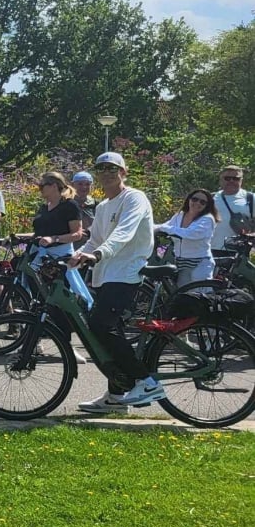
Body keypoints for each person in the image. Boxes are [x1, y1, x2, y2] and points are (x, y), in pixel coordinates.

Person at [69, 151, 162, 411]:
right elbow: (95, 239)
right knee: (108, 331)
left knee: (100, 324)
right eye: (102, 169)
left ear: (123, 172)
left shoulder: (134, 198)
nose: (107, 173)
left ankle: (146, 381)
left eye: (113, 168)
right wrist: (77, 255)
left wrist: (98, 254)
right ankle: (116, 396)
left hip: (128, 272)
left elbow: (124, 232)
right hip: (107, 274)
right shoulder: (103, 206)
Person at [156, 190, 218, 287]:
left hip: (199, 263)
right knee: (182, 295)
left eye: (202, 202)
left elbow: (191, 234)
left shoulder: (208, 219)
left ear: (207, 205)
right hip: (180, 262)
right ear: (189, 200)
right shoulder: (179, 215)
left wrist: (164, 228)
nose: (197, 203)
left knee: (198, 297)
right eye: (195, 199)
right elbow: (164, 226)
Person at [32, 172, 83, 265]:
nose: (39, 189)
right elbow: (40, 234)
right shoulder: (44, 207)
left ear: (54, 186)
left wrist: (54, 239)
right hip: (40, 256)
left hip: (61, 257)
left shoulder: (69, 205)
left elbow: (77, 234)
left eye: (42, 186)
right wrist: (17, 236)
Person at [212, 165, 253, 250]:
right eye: (227, 178)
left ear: (241, 180)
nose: (231, 181)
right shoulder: (210, 199)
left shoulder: (251, 198)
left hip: (239, 255)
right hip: (210, 252)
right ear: (220, 180)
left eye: (236, 178)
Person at [70, 171, 97, 242]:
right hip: (70, 244)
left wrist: (88, 231)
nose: (84, 187)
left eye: (87, 184)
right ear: (72, 185)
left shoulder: (96, 204)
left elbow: (102, 223)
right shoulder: (66, 203)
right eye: (80, 184)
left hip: (91, 244)